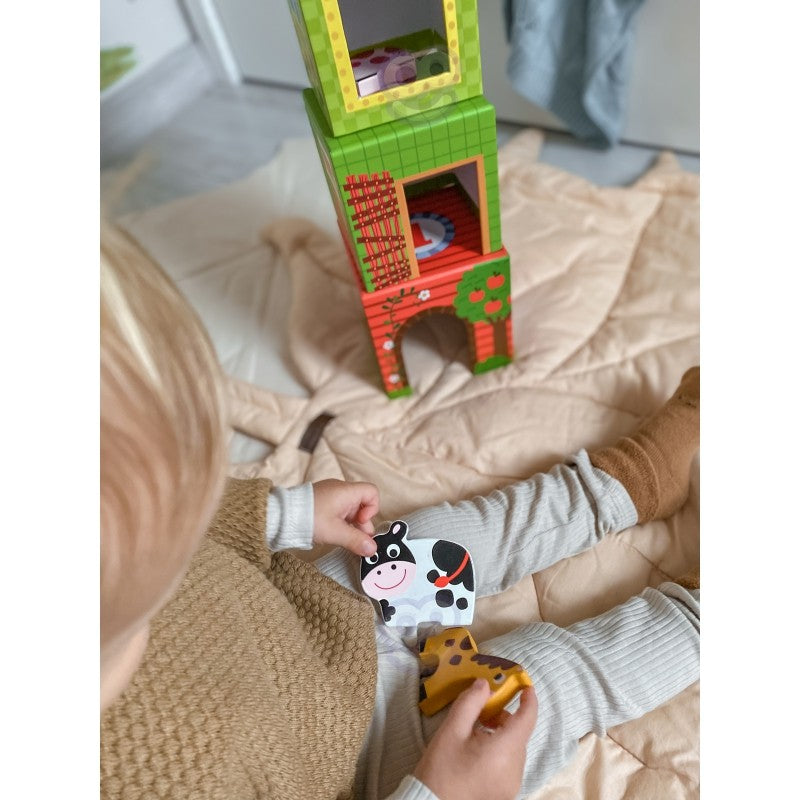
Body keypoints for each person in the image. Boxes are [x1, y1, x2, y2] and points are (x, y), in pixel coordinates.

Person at [100, 222, 699, 800]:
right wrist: (441, 793)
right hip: (368, 760)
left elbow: (190, 518)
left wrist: (286, 516)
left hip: (320, 612)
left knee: (449, 537)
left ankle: (637, 478)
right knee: (543, 684)